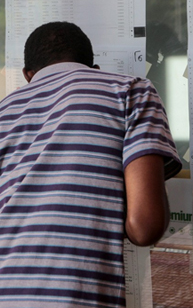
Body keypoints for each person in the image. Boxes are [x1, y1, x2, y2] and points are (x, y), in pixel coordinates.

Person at [0, 22, 180, 307]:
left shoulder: (5, 110)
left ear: (27, 75)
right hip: (79, 296)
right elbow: (145, 227)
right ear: (94, 69)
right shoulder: (132, 92)